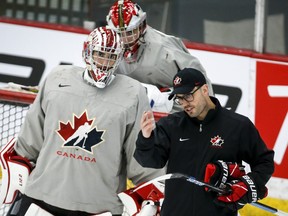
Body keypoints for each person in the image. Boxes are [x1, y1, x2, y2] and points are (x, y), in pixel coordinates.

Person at [4, 26, 165, 216]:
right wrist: (17, 164)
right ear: (87, 51)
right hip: (41, 198)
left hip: (97, 207)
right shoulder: (57, 79)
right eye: (100, 54)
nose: (105, 63)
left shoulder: (133, 93)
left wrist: (152, 192)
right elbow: (31, 140)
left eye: (111, 57)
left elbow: (140, 155)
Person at [133, 68, 274, 216]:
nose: (184, 103)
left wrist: (247, 183)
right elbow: (150, 161)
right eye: (179, 98)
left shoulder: (237, 126)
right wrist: (146, 138)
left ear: (205, 89)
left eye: (188, 96)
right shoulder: (171, 125)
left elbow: (265, 162)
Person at [106, 0, 214, 99]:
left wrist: (208, 111)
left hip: (171, 109)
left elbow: (199, 78)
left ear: (141, 25)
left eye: (129, 32)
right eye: (119, 33)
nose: (125, 40)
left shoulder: (164, 46)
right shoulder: (105, 47)